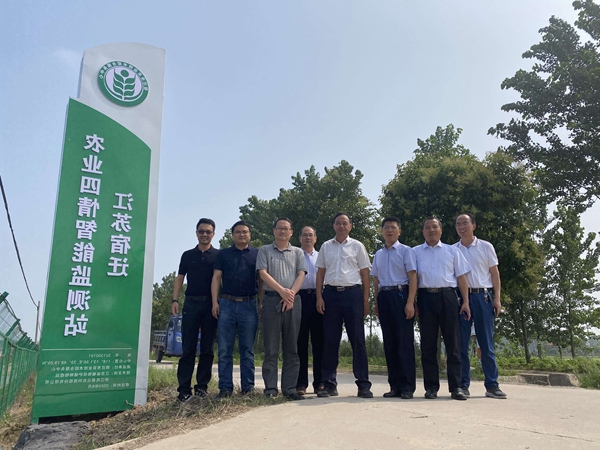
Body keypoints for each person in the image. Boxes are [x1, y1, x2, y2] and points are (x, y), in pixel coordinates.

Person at [316, 213, 373, 398]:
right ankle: (329, 384)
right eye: (338, 223)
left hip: (352, 295)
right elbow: (320, 273)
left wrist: (365, 300)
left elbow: (365, 274)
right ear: (334, 226)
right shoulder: (326, 246)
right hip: (330, 295)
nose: (341, 226)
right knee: (330, 341)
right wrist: (319, 297)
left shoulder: (357, 246)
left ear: (350, 226)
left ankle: (363, 384)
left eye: (345, 223)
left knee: (358, 340)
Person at [413, 216, 471, 401]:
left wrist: (466, 301)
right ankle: (431, 387)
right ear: (423, 231)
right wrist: (413, 302)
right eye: (428, 227)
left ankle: (456, 387)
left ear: (441, 230)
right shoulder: (414, 252)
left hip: (448, 296)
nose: (431, 230)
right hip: (425, 297)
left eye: (435, 227)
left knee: (453, 343)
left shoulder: (452, 251)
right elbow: (412, 279)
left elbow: (461, 278)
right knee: (428, 344)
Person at [454, 213, 507, 399]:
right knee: (462, 344)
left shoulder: (485, 246)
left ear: (474, 225)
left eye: (465, 223)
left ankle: (492, 385)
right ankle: (463, 384)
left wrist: (497, 298)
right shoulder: (452, 250)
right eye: (458, 224)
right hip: (461, 299)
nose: (462, 227)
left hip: (483, 297)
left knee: (486, 343)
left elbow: (494, 273)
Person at [257, 218, 306, 400]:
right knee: (271, 348)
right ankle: (270, 388)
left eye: (286, 229)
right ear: (274, 231)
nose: (282, 231)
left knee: (291, 347)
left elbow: (301, 274)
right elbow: (263, 273)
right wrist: (282, 292)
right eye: (279, 228)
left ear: (291, 232)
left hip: (293, 301)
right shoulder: (264, 250)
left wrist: (290, 294)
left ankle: (290, 388)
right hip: (271, 300)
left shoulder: (298, 252)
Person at [172, 218, 219, 402]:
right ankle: (184, 390)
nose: (204, 234)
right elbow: (180, 278)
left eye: (208, 231)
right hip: (191, 304)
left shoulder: (218, 255)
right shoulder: (187, 255)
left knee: (207, 349)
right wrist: (175, 300)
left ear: (213, 234)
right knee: (188, 348)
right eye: (201, 231)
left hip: (210, 305)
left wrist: (217, 302)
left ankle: (202, 388)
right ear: (196, 233)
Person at [211, 220, 259, 398]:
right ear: (232, 235)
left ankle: (248, 388)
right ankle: (225, 388)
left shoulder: (257, 254)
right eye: (238, 232)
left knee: (247, 349)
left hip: (249, 304)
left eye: (245, 232)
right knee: (225, 349)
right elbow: (216, 278)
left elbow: (262, 280)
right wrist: (215, 302)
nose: (241, 234)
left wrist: (261, 302)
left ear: (250, 234)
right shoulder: (223, 254)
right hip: (227, 304)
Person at [371, 217, 418, 399]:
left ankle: (407, 386)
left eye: (393, 227)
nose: (389, 230)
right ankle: (394, 385)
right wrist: (376, 302)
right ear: (382, 231)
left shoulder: (406, 251)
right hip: (384, 296)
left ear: (399, 231)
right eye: (386, 227)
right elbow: (376, 280)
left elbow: (412, 276)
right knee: (389, 343)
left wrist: (410, 302)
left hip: (401, 295)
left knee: (404, 342)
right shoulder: (378, 254)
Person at [296, 226, 325, 396]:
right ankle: (301, 383)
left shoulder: (322, 256)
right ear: (299, 238)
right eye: (304, 235)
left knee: (319, 342)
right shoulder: (294, 255)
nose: (308, 238)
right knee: (300, 342)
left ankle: (319, 382)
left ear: (315, 238)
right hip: (299, 298)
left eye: (311, 235)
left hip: (318, 298)